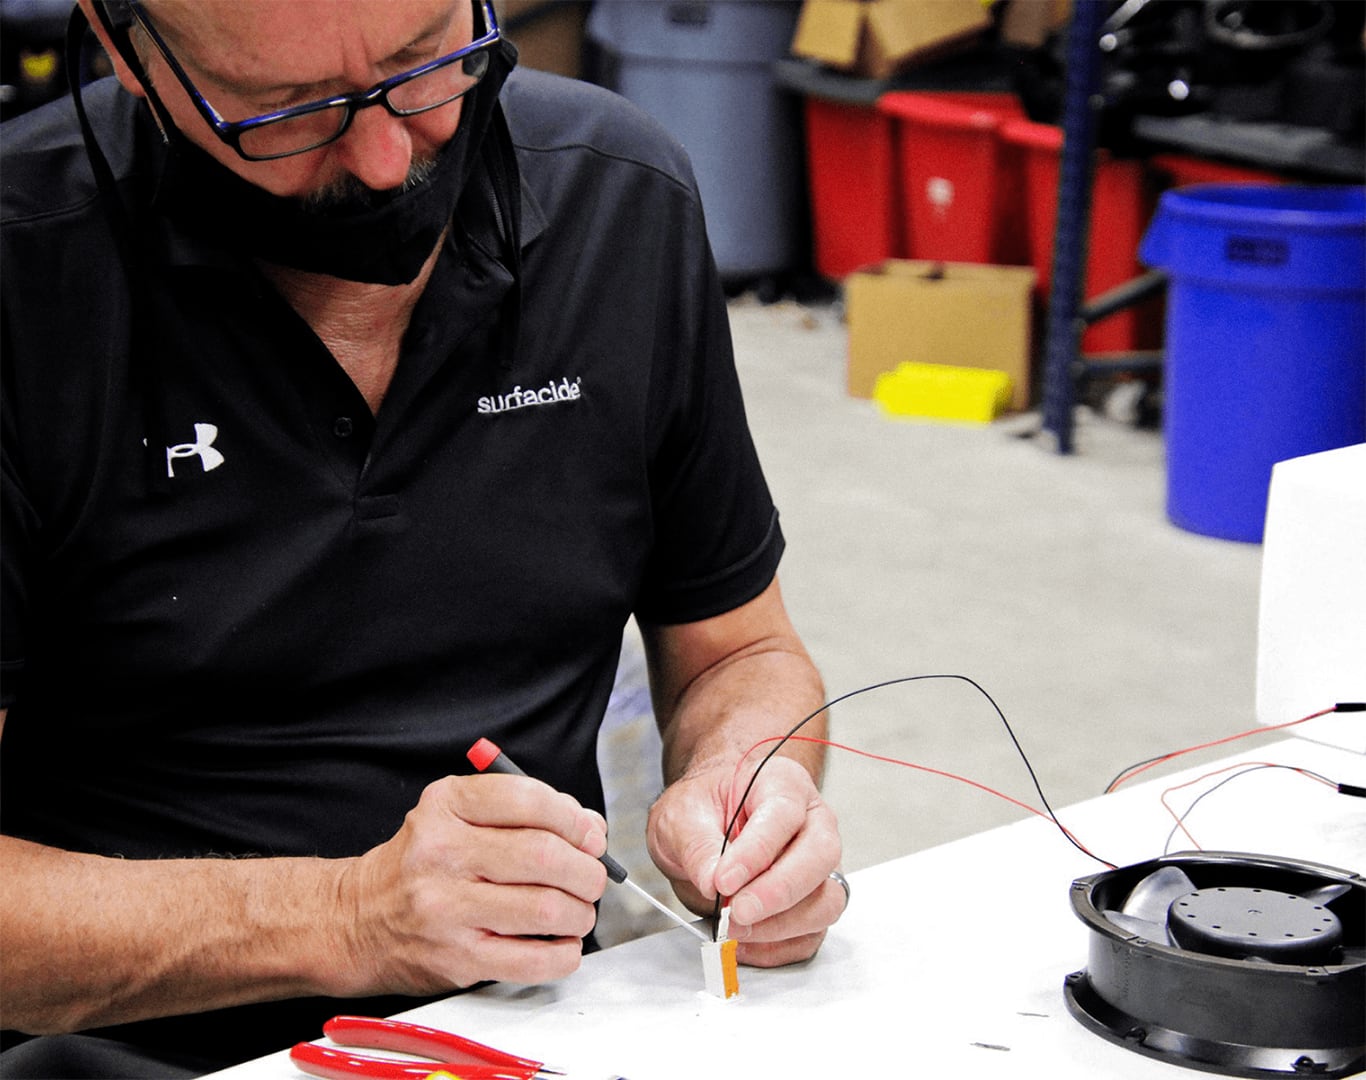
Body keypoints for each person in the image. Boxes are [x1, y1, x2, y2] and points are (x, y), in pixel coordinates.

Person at [0, 0, 845, 1075]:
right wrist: (350, 916)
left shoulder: (615, 199)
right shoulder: (26, 277)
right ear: (126, 47)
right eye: (287, 110)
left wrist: (748, 780)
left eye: (424, 60)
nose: (388, 153)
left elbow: (739, 651)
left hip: (530, 1031)